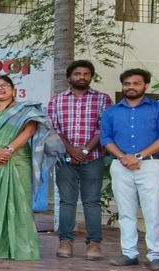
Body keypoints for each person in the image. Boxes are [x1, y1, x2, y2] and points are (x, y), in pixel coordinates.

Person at [0, 75, 56, 260]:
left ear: (13, 89)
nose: (0, 88)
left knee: (20, 204)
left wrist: (8, 150)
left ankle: (22, 248)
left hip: (17, 160)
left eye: (4, 85)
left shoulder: (26, 110)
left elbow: (29, 130)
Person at [100, 68, 159, 271]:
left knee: (153, 211)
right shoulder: (111, 111)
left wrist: (138, 156)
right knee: (125, 211)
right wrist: (122, 157)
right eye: (127, 84)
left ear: (146, 85)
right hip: (120, 164)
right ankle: (129, 253)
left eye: (136, 83)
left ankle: (155, 255)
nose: (131, 87)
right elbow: (106, 138)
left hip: (150, 164)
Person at [47, 60, 112, 260]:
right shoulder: (56, 100)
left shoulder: (102, 99)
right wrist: (71, 150)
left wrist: (84, 150)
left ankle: (94, 244)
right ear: (69, 77)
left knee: (91, 202)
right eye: (77, 74)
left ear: (91, 76)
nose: (81, 77)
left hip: (93, 158)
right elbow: (53, 129)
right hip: (64, 159)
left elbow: (103, 128)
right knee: (67, 201)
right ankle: (65, 241)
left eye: (86, 74)